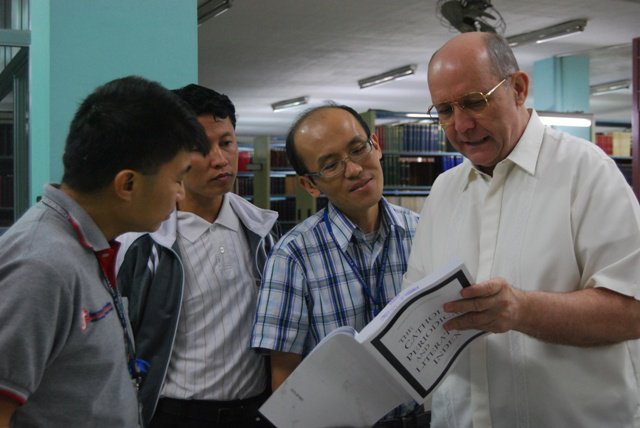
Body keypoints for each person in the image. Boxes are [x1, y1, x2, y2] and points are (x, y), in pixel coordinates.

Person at [404, 31, 640, 427]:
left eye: (474, 102)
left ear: (518, 88)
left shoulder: (585, 171)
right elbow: (418, 307)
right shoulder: (444, 191)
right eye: (444, 110)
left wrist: (522, 310)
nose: (461, 125)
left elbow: (633, 310)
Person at [0, 75, 208, 428]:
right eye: (177, 178)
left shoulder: (90, 246)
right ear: (127, 184)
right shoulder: (42, 266)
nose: (180, 195)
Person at [251, 104, 430, 426]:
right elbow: (285, 378)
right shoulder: (293, 256)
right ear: (309, 185)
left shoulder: (424, 232)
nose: (354, 170)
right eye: (331, 165)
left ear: (376, 145)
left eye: (358, 149)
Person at [116, 84, 279, 428]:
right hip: (174, 415)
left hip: (254, 413)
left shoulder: (264, 233)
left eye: (227, 142)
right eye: (200, 147)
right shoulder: (141, 244)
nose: (219, 159)